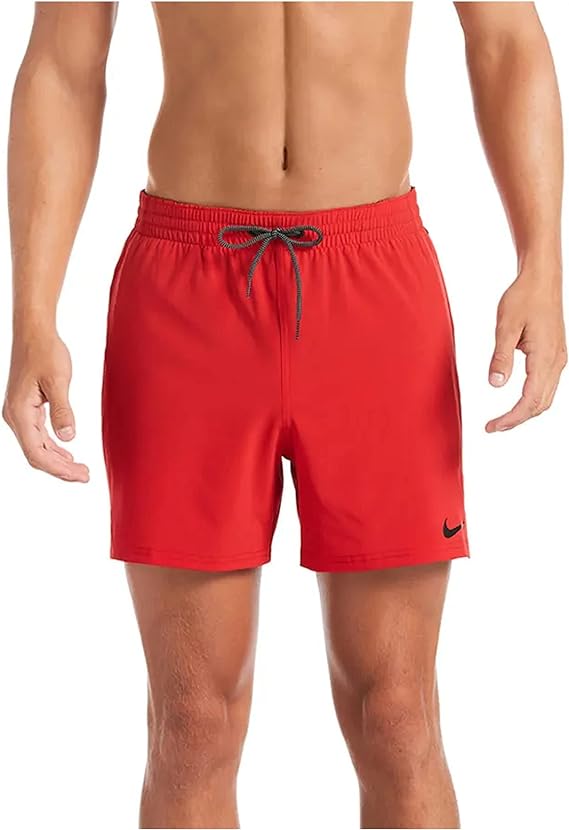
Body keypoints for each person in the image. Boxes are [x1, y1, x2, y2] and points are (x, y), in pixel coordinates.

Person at [3, 2, 566, 828]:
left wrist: (541, 264)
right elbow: (63, 63)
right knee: (191, 725)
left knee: (398, 716)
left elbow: (506, 39)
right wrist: (33, 314)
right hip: (187, 292)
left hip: (374, 286)